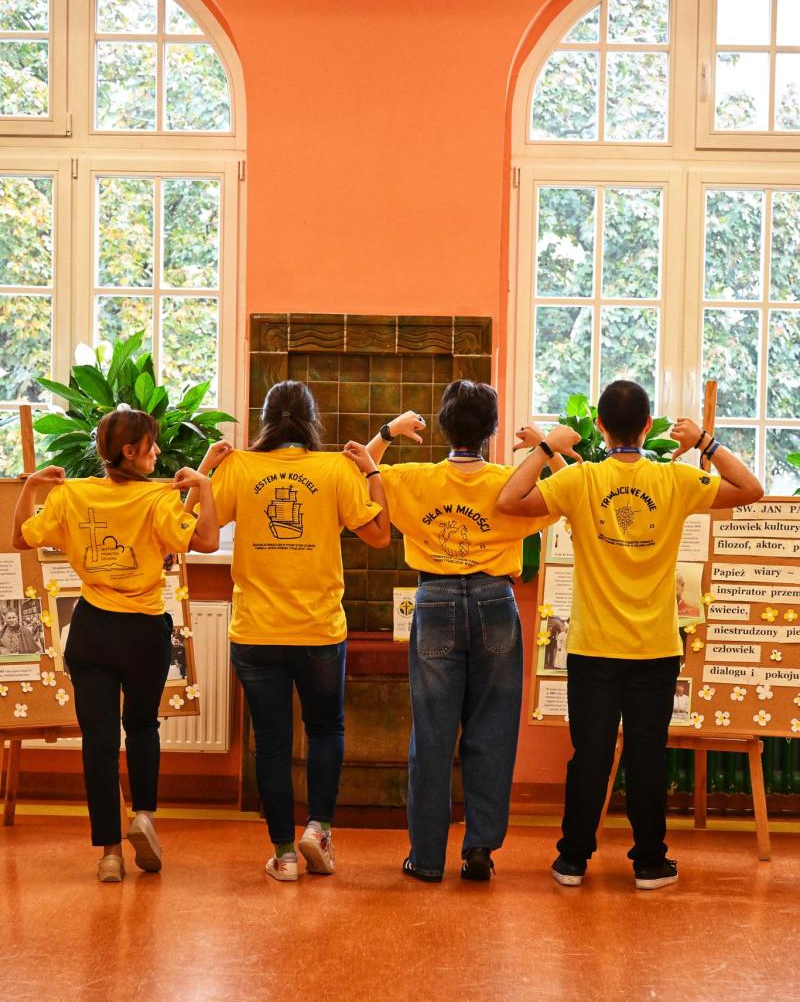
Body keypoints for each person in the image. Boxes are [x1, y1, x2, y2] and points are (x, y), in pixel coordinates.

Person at [497, 379, 764, 889]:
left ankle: (572, 860)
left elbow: (510, 499)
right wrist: (704, 442)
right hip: (654, 650)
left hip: (592, 649)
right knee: (647, 757)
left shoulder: (582, 480)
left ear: (598, 426)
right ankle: (648, 863)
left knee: (590, 756)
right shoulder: (673, 479)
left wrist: (548, 446)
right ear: (647, 426)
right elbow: (750, 489)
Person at [365, 381, 580, 883]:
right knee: (494, 730)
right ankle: (480, 848)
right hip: (495, 601)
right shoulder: (509, 483)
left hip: (435, 598)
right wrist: (545, 450)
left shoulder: (413, 479)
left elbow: (359, 471)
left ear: (443, 426)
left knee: (432, 736)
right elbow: (570, 494)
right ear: (493, 430)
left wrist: (388, 433)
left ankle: (426, 858)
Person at [192, 380, 389, 883]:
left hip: (255, 631)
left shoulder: (239, 466)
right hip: (318, 630)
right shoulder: (336, 469)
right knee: (325, 730)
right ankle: (318, 829)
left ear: (265, 420)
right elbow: (378, 535)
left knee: (272, 743)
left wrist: (208, 469)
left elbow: (201, 530)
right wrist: (371, 470)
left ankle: (283, 855)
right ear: (311, 420)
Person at [13, 406, 218, 883]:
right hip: (143, 632)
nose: (158, 452)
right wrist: (204, 487)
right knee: (142, 725)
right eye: (151, 445)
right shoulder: (157, 499)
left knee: (99, 742)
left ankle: (109, 854)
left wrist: (31, 487)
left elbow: (21, 539)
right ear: (130, 451)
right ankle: (143, 815)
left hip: (91, 631)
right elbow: (207, 541)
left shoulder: (72, 495)